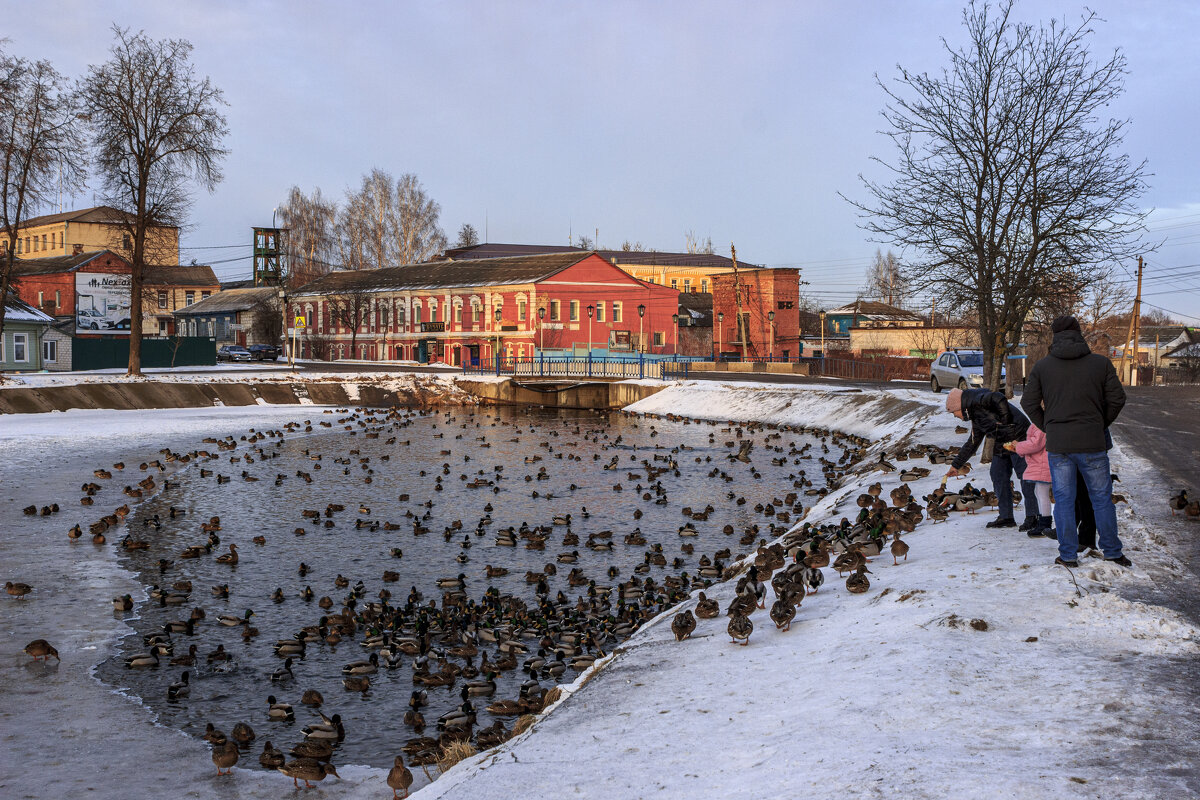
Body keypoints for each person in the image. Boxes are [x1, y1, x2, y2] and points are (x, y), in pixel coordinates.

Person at [1020, 315, 1129, 568]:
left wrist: (1049, 425)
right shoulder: (1100, 364)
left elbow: (1028, 402)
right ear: (1080, 334)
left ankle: (1068, 554)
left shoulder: (1043, 367)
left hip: (1059, 446)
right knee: (1101, 499)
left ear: (1054, 336)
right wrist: (1099, 423)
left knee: (1065, 500)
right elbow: (1117, 399)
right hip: (1093, 443)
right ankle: (1112, 551)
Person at [944, 387, 1033, 527]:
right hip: (1002, 440)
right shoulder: (976, 417)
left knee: (1026, 476)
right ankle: (1006, 517)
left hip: (1018, 435)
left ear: (959, 406)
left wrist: (1005, 421)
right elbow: (972, 443)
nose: (957, 417)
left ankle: (1033, 517)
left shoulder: (979, 400)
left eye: (954, 413)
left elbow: (998, 397)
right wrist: (956, 465)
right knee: (997, 474)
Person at [1008, 423, 1052, 538]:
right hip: (1040, 462)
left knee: (1042, 494)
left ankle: (1045, 523)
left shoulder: (1041, 424)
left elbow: (1035, 444)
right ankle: (1043, 521)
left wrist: (1018, 446)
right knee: (1039, 493)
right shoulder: (1041, 422)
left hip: (1043, 463)